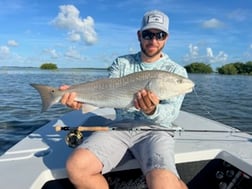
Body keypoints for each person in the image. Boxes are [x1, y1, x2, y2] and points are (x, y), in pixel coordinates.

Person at [60, 10, 188, 189]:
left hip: (156, 131)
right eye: (148, 34)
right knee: (76, 167)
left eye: (160, 35)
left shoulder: (176, 72)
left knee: (164, 185)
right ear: (139, 35)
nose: (153, 40)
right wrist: (78, 98)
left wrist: (152, 110)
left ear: (166, 38)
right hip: (119, 127)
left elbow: (170, 115)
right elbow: (105, 91)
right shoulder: (122, 63)